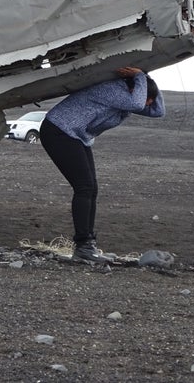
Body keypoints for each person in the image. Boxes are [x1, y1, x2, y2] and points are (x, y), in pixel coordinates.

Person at [39, 67, 165, 263]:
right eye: (146, 97)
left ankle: (87, 246)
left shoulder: (127, 101)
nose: (145, 105)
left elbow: (158, 111)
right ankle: (83, 247)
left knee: (91, 189)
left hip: (75, 135)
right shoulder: (115, 90)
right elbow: (138, 102)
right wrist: (140, 76)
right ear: (135, 89)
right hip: (59, 130)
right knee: (84, 187)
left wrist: (146, 79)